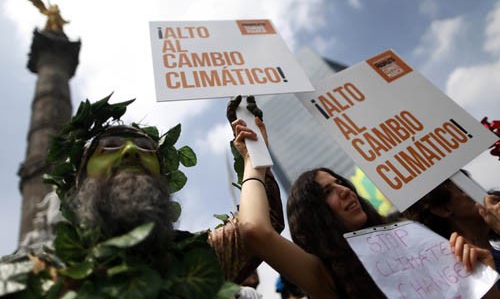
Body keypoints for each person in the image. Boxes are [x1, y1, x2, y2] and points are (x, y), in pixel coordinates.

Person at [0, 95, 284, 299]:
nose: (130, 152)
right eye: (110, 146)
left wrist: (253, 155)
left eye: (145, 147)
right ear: (79, 179)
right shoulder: (32, 271)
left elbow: (259, 227)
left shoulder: (194, 259)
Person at [231, 112, 495, 298]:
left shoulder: (414, 240)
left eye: (341, 183)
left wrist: (485, 274)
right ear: (313, 217)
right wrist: (254, 160)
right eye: (328, 192)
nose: (345, 191)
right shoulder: (325, 277)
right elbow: (255, 230)